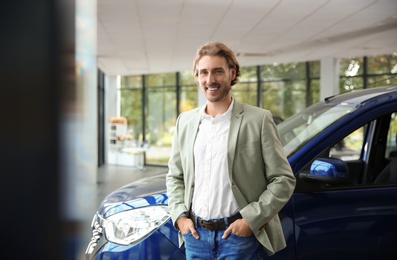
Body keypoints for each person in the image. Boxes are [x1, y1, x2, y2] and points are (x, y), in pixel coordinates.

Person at [166, 41, 296, 259]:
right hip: (195, 237)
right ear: (197, 76)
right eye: (204, 72)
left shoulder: (258, 119)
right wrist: (180, 217)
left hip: (239, 238)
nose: (210, 80)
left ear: (232, 72)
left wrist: (251, 220)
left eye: (218, 71)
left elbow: (283, 179)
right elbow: (175, 176)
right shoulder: (185, 122)